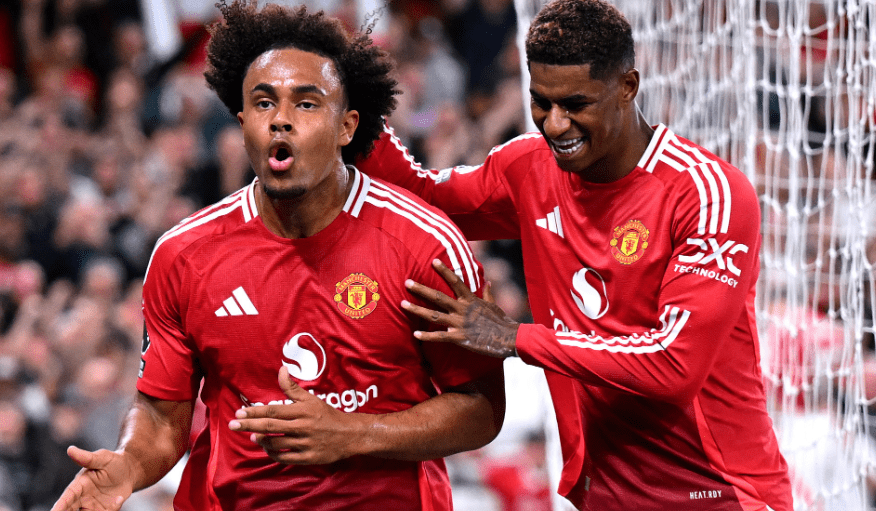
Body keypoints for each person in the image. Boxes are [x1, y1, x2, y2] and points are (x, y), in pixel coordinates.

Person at [51, 1, 505, 510]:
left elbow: (481, 409)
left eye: (306, 104)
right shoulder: (183, 254)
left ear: (347, 126)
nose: (281, 121)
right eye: (264, 104)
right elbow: (160, 416)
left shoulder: (426, 245)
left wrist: (352, 433)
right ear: (242, 120)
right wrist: (130, 464)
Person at [355, 0, 794, 509]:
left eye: (576, 104)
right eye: (541, 102)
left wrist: (515, 338)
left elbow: (673, 366)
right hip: (603, 496)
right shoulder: (528, 168)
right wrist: (356, 97)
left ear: (627, 87)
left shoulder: (706, 193)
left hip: (718, 495)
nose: (556, 124)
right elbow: (421, 198)